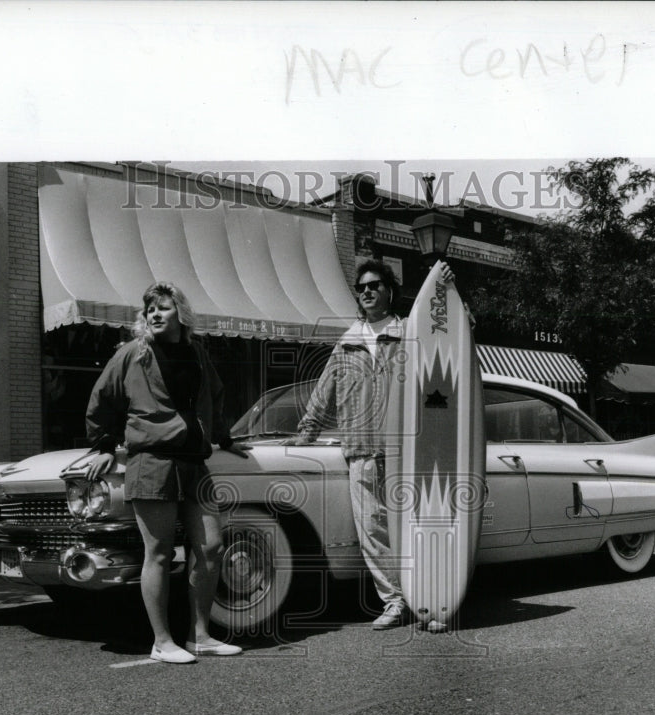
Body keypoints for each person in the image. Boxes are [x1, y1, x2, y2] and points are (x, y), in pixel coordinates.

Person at [84, 282, 250, 664]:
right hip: (152, 462)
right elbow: (101, 399)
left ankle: (200, 635)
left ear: (182, 314)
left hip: (195, 463)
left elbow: (216, 395)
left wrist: (224, 438)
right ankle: (162, 641)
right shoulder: (132, 354)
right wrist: (105, 446)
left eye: (163, 308)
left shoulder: (197, 353)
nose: (154, 315)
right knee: (158, 553)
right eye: (149, 310)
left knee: (211, 547)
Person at [286, 259, 453, 630]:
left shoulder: (411, 331)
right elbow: (322, 394)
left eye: (374, 285)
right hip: (360, 451)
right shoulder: (347, 343)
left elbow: (454, 335)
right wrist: (305, 434)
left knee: (416, 528)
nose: (366, 292)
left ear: (389, 291)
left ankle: (431, 603)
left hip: (406, 452)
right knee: (373, 534)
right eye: (361, 287)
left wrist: (449, 294)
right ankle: (395, 602)